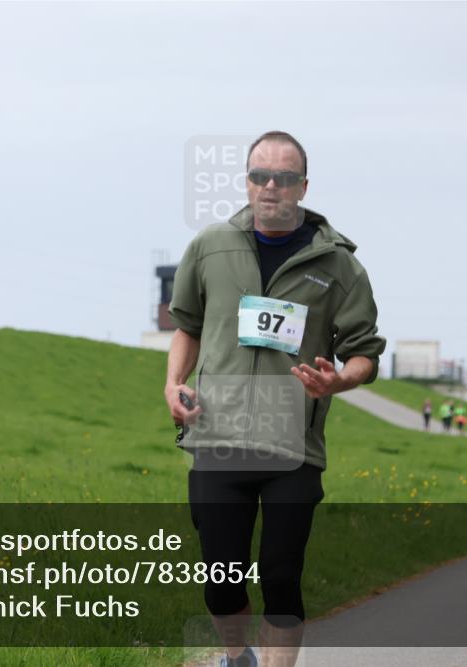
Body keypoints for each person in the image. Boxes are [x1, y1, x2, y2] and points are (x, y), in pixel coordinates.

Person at [165, 131, 385, 667]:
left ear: (302, 186)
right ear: (246, 181)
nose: (271, 187)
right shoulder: (210, 247)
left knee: (282, 577)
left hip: (293, 447)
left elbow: (365, 354)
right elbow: (187, 325)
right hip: (217, 437)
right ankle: (237, 656)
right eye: (260, 176)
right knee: (219, 579)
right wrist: (173, 383)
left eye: (284, 179)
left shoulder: (338, 266)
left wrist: (340, 380)